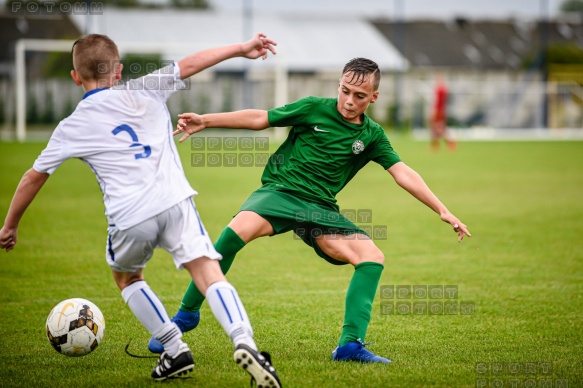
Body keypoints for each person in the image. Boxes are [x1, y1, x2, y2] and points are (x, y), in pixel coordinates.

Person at [0, 33, 282, 386]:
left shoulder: (71, 126)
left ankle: (174, 348)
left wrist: (10, 226)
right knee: (209, 273)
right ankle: (245, 342)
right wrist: (242, 48)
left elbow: (32, 177)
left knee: (128, 277)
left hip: (130, 216)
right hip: (176, 201)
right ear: (117, 71)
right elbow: (194, 61)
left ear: (75, 78)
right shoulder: (147, 86)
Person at [149, 57, 471, 363]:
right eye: (345, 90)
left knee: (371, 258)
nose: (348, 100)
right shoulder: (314, 107)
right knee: (231, 237)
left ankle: (349, 345)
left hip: (320, 207)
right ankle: (187, 313)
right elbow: (261, 118)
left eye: (359, 95)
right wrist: (206, 120)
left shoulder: (372, 135)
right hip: (280, 192)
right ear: (339, 85)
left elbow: (403, 172)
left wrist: (442, 210)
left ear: (374, 97)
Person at [430, 74, 457, 151]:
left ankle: (450, 142)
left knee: (438, 128)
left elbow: (439, 102)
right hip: (441, 110)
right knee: (438, 128)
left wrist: (436, 111)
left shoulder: (440, 89)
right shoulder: (443, 89)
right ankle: (436, 144)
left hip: (439, 110)